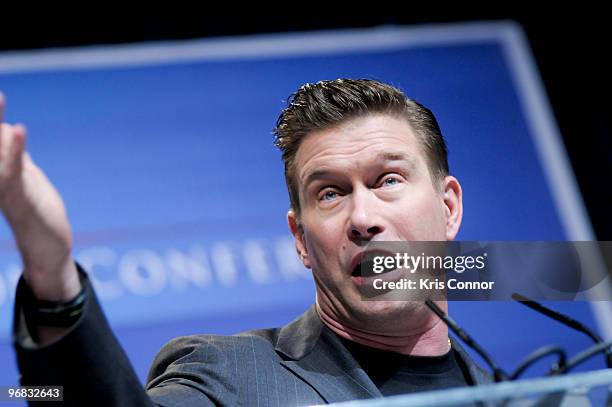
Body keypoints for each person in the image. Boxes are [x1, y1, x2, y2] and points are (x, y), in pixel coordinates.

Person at [1, 79, 490, 406]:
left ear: (448, 209)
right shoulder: (230, 377)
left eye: (387, 181)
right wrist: (52, 270)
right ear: (300, 239)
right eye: (331, 193)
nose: (363, 218)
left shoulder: (520, 388)